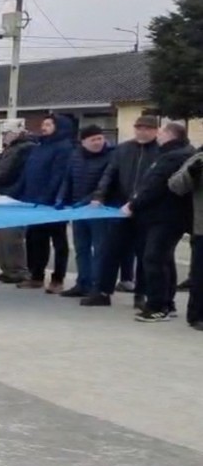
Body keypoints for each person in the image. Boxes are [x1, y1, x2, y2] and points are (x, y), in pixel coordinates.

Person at [84, 116, 162, 308]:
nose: (142, 132)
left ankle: (141, 294)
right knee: (111, 251)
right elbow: (110, 173)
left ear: (155, 131)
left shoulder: (160, 151)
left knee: (145, 255)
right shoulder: (123, 149)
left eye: (147, 128)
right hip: (121, 209)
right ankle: (102, 292)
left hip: (147, 211)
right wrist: (99, 196)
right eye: (139, 128)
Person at [124, 122, 193, 323]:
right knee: (164, 260)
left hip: (165, 217)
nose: (159, 135)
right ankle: (167, 303)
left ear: (170, 134)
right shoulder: (178, 153)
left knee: (153, 259)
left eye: (161, 131)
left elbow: (155, 186)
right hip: (169, 216)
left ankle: (156, 306)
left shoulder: (172, 157)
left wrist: (133, 205)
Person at [11, 114, 75, 292]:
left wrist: (49, 197)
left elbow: (59, 175)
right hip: (34, 202)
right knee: (35, 240)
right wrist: (17, 193)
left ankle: (58, 279)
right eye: (43, 124)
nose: (43, 127)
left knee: (58, 241)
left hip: (54, 203)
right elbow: (28, 171)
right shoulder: (39, 147)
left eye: (48, 124)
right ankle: (36, 275)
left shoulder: (64, 147)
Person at [57, 125, 114, 298]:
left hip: (99, 210)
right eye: (93, 139)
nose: (97, 142)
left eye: (100, 138)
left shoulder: (111, 156)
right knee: (81, 248)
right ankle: (82, 282)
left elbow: (107, 182)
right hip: (78, 210)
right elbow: (67, 179)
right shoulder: (76, 156)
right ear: (83, 142)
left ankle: (97, 285)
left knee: (100, 249)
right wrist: (60, 198)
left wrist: (87, 200)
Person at [0, 121, 35, 283]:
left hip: (14, 195)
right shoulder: (12, 149)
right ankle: (7, 269)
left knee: (11, 236)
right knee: (0, 235)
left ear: (14, 133)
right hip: (4, 194)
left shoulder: (23, 149)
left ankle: (17, 269)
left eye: (5, 133)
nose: (3, 137)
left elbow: (5, 173)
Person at [168, 144, 203, 331]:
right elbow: (175, 186)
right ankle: (197, 315)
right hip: (202, 228)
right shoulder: (199, 159)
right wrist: (191, 173)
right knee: (200, 276)